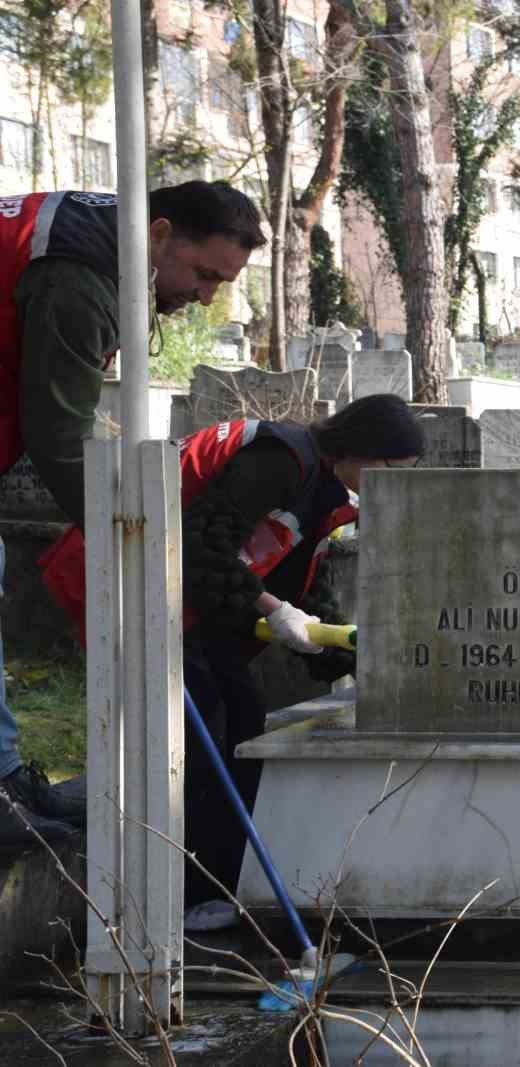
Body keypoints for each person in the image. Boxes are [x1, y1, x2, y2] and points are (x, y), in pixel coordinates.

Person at [43, 393, 424, 923]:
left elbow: (298, 583)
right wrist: (273, 609)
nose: (394, 483)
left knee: (242, 720)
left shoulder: (326, 491)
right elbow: (199, 546)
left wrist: (356, 661)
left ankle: (220, 885)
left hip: (187, 600)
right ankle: (183, 896)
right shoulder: (279, 460)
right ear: (362, 448)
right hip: (131, 578)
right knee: (204, 735)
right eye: (391, 469)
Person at [0, 182, 266, 850]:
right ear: (160, 233)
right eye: (204, 274)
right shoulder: (80, 276)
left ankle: (3, 778)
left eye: (221, 283)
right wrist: (125, 533)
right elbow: (61, 437)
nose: (206, 296)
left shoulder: (106, 246)